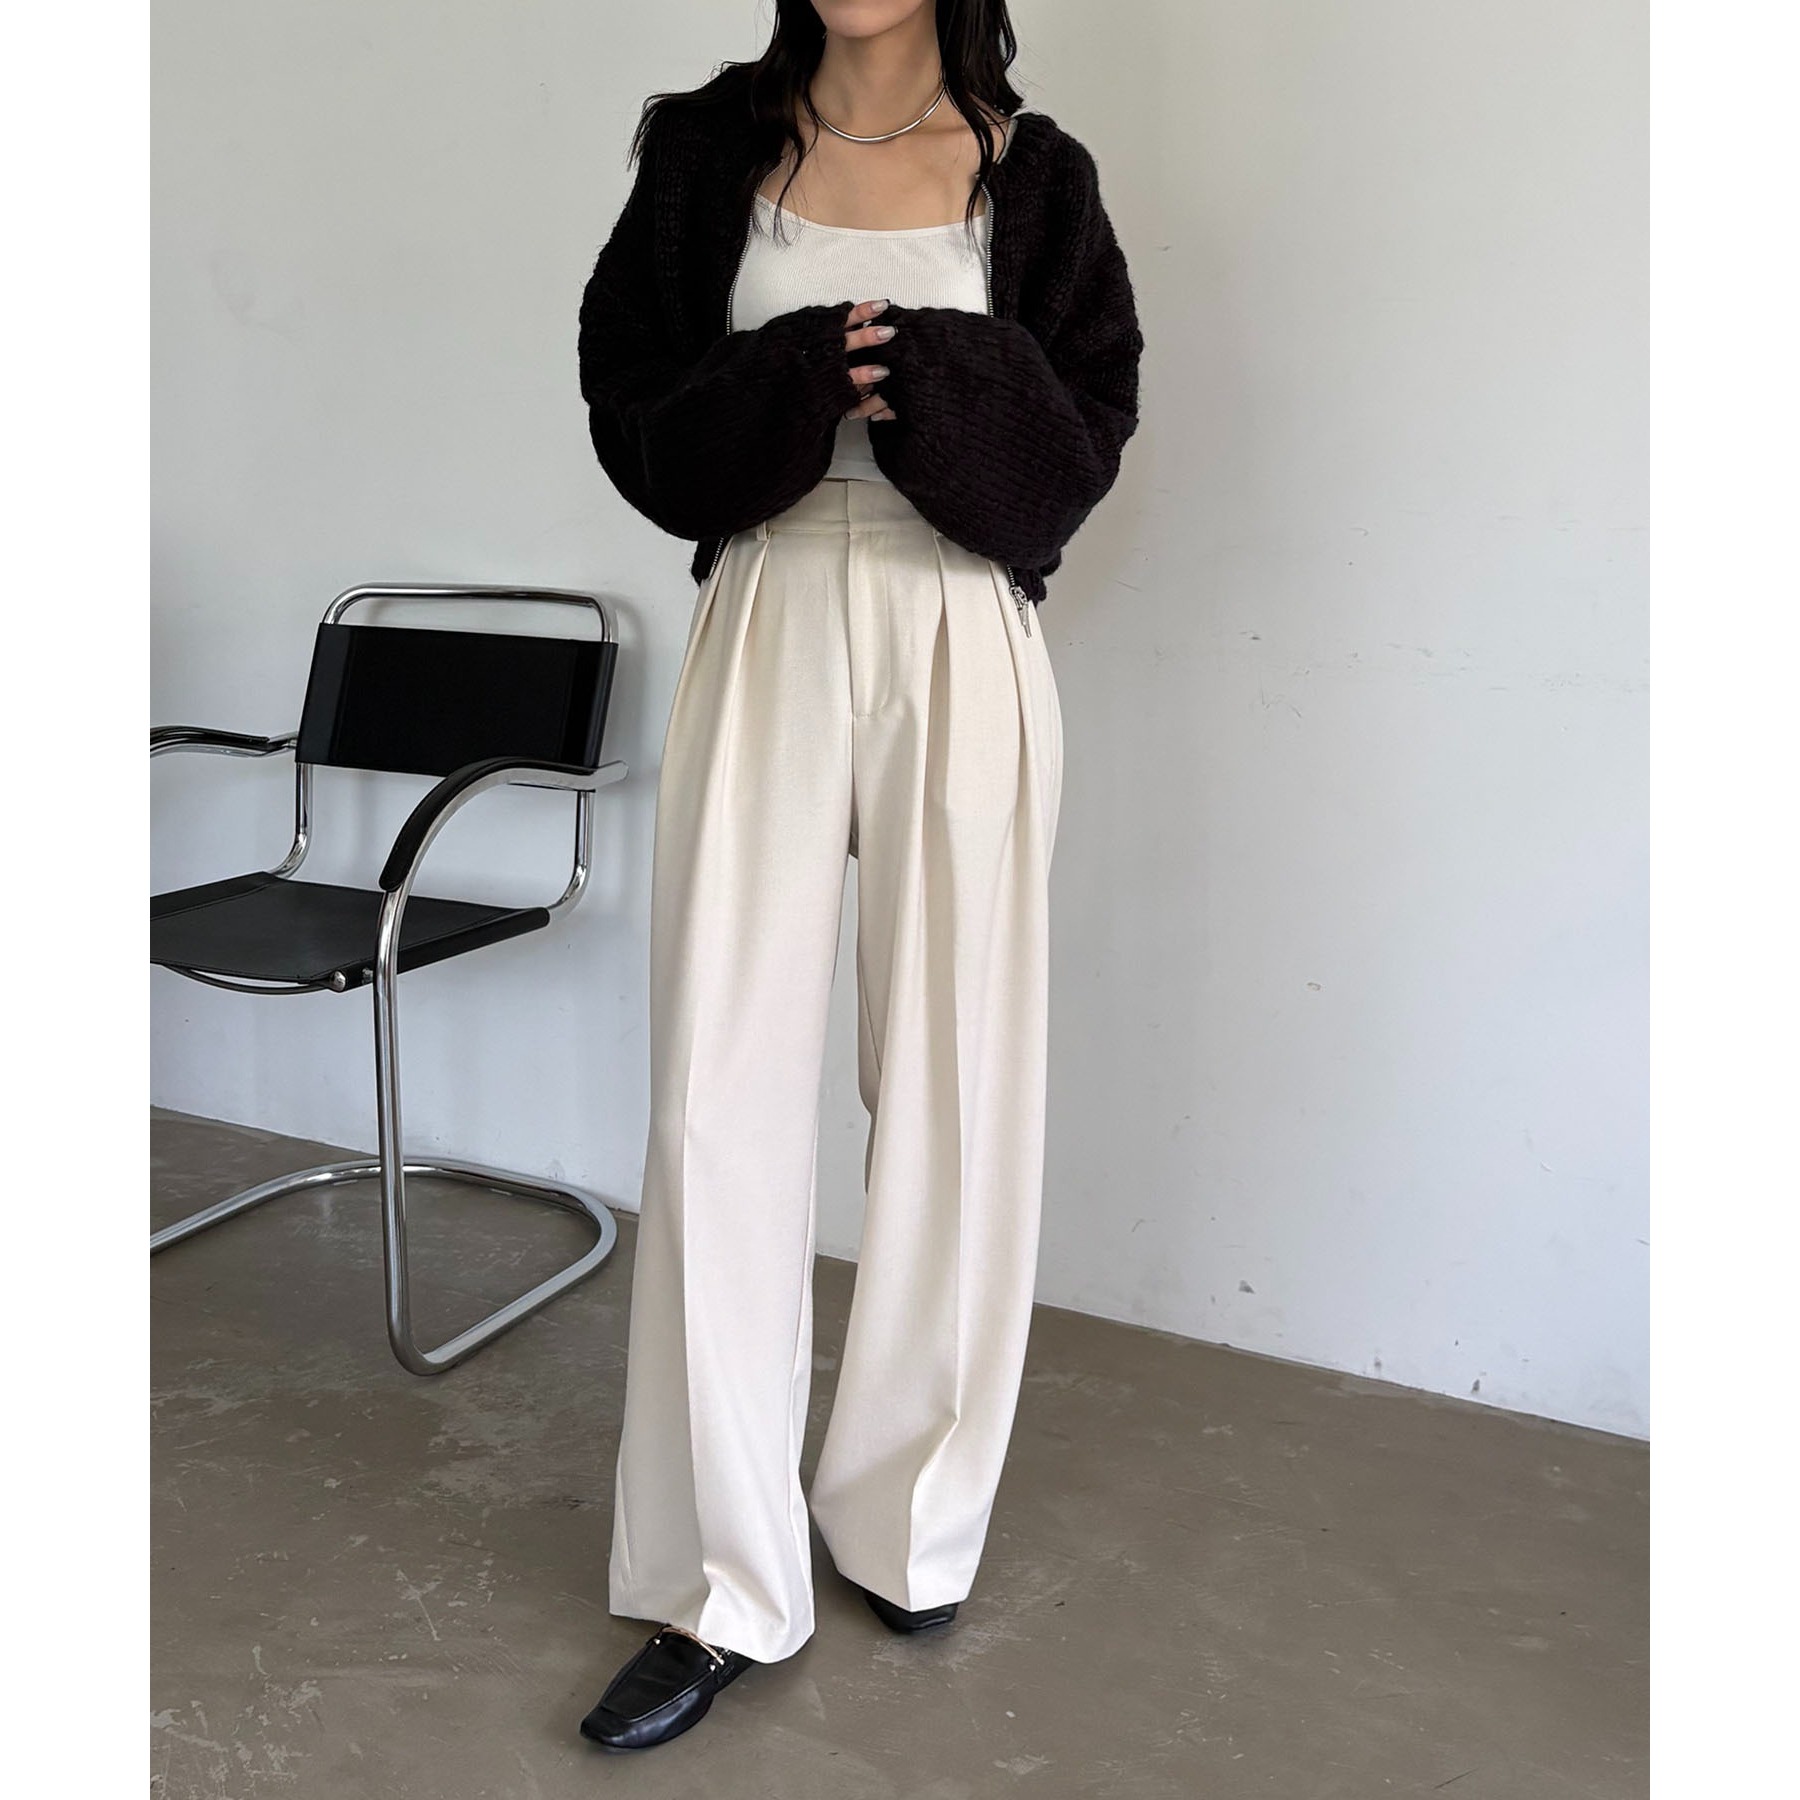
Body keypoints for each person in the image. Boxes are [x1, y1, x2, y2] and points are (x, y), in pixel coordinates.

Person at [573, 0, 1143, 1751]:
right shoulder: (708, 150)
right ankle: (717, 1581)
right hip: (766, 605)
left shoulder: (1039, 178)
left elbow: (1083, 447)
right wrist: (802, 372)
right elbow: (632, 410)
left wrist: (935, 383)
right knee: (715, 1100)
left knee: (958, 1086)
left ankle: (910, 1514)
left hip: (963, 619)